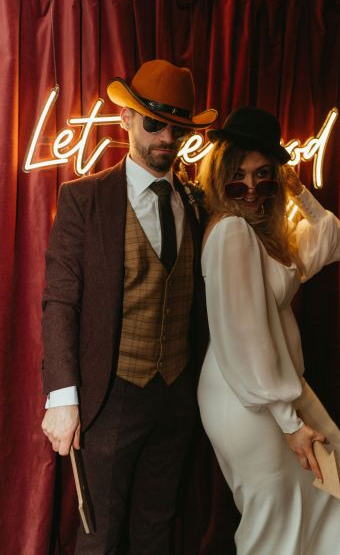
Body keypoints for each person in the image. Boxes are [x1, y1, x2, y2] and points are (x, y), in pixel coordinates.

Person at [40, 59, 217, 554]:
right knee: (99, 535)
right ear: (127, 120)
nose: (166, 137)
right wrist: (62, 397)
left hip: (178, 393)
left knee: (157, 527)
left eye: (177, 128)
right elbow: (60, 301)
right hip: (110, 395)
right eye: (153, 123)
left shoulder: (196, 202)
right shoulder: (84, 199)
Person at [197, 106, 340, 554]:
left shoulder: (268, 235)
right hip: (250, 397)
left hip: (276, 390)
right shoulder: (233, 233)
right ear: (219, 175)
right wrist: (288, 421)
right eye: (237, 175)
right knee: (277, 521)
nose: (249, 187)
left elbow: (338, 240)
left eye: (264, 175)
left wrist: (299, 191)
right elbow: (245, 335)